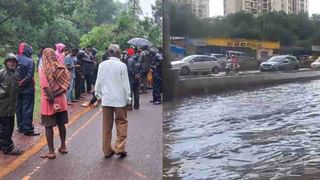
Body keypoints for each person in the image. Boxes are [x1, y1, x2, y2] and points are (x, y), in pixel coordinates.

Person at [95, 44, 131, 159]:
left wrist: (98, 94)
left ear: (109, 53)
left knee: (106, 126)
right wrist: (128, 99)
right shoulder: (122, 66)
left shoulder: (102, 65)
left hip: (106, 100)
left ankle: (106, 151)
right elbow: (125, 85)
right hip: (119, 100)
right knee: (121, 122)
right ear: (118, 53)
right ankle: (119, 148)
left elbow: (98, 81)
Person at [39, 48, 71, 159]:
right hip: (61, 101)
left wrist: (52, 99)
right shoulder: (61, 67)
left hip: (48, 102)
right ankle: (63, 146)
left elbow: (45, 86)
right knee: (61, 123)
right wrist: (58, 94)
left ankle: (51, 152)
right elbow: (67, 86)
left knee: (48, 126)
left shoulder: (43, 68)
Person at [0, 54, 23, 155]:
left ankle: (5, 144)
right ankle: (7, 148)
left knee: (9, 126)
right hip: (2, 106)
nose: (12, 63)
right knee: (5, 127)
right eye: (9, 61)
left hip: (11, 106)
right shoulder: (1, 73)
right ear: (6, 62)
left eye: (14, 61)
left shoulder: (16, 74)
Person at [16, 43, 39, 136]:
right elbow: (29, 76)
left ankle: (20, 127)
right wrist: (22, 83)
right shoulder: (30, 61)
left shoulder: (15, 59)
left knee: (19, 108)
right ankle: (28, 129)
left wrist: (17, 84)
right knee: (27, 108)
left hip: (16, 89)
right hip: (27, 89)